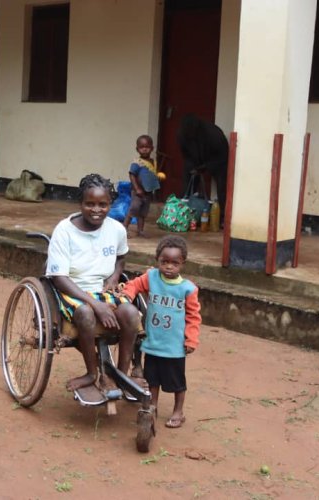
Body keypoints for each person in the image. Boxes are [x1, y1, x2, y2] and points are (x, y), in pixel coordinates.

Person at [46, 173, 144, 393]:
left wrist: (114, 277)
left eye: (103, 204)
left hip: (103, 289)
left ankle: (120, 373)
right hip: (72, 289)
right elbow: (58, 277)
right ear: (80, 203)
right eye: (90, 204)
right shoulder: (64, 231)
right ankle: (92, 373)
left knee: (130, 312)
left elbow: (121, 257)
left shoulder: (116, 229)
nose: (96, 210)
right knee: (85, 314)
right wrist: (95, 304)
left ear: (111, 204)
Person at [121, 235, 201, 428]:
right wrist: (126, 295)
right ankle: (152, 406)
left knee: (177, 383)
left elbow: (193, 316)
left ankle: (178, 411)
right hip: (153, 343)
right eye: (164, 262)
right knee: (152, 380)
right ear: (157, 260)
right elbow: (134, 285)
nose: (169, 267)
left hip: (174, 347)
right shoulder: (151, 277)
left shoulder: (188, 289)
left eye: (175, 263)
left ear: (182, 263)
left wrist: (191, 340)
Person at [177, 114, 229, 222]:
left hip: (217, 159)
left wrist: (206, 167)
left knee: (222, 186)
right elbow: (186, 155)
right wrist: (193, 167)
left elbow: (223, 156)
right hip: (194, 159)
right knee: (188, 183)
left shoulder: (214, 135)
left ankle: (223, 217)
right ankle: (184, 213)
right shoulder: (182, 135)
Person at [123, 135, 161, 238]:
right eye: (141, 147)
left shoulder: (153, 162)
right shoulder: (137, 163)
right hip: (137, 193)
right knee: (133, 209)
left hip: (147, 192)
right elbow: (132, 175)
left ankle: (140, 230)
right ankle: (124, 229)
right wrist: (137, 188)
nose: (144, 149)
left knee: (143, 213)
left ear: (152, 148)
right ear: (137, 149)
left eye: (147, 147)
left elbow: (151, 175)